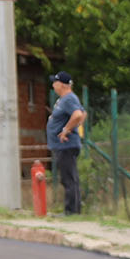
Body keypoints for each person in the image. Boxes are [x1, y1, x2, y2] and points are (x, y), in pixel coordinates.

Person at [46, 71, 87, 215]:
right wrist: (73, 126)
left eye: (55, 82)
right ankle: (73, 210)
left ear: (62, 84)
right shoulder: (66, 99)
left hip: (66, 145)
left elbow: (78, 114)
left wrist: (66, 130)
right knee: (70, 178)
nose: (53, 85)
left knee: (68, 179)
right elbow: (83, 113)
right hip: (63, 146)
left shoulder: (69, 98)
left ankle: (71, 211)